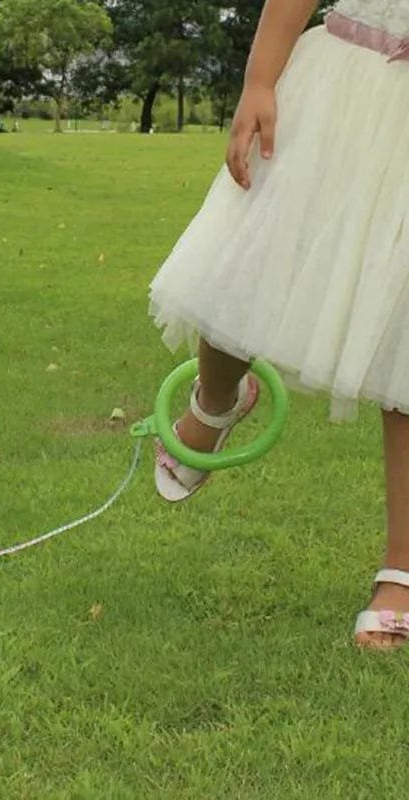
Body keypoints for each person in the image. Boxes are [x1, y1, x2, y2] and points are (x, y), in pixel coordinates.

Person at [146, 0, 409, 650]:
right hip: (340, 86)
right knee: (245, 269)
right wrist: (260, 81)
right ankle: (215, 402)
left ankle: (401, 572)